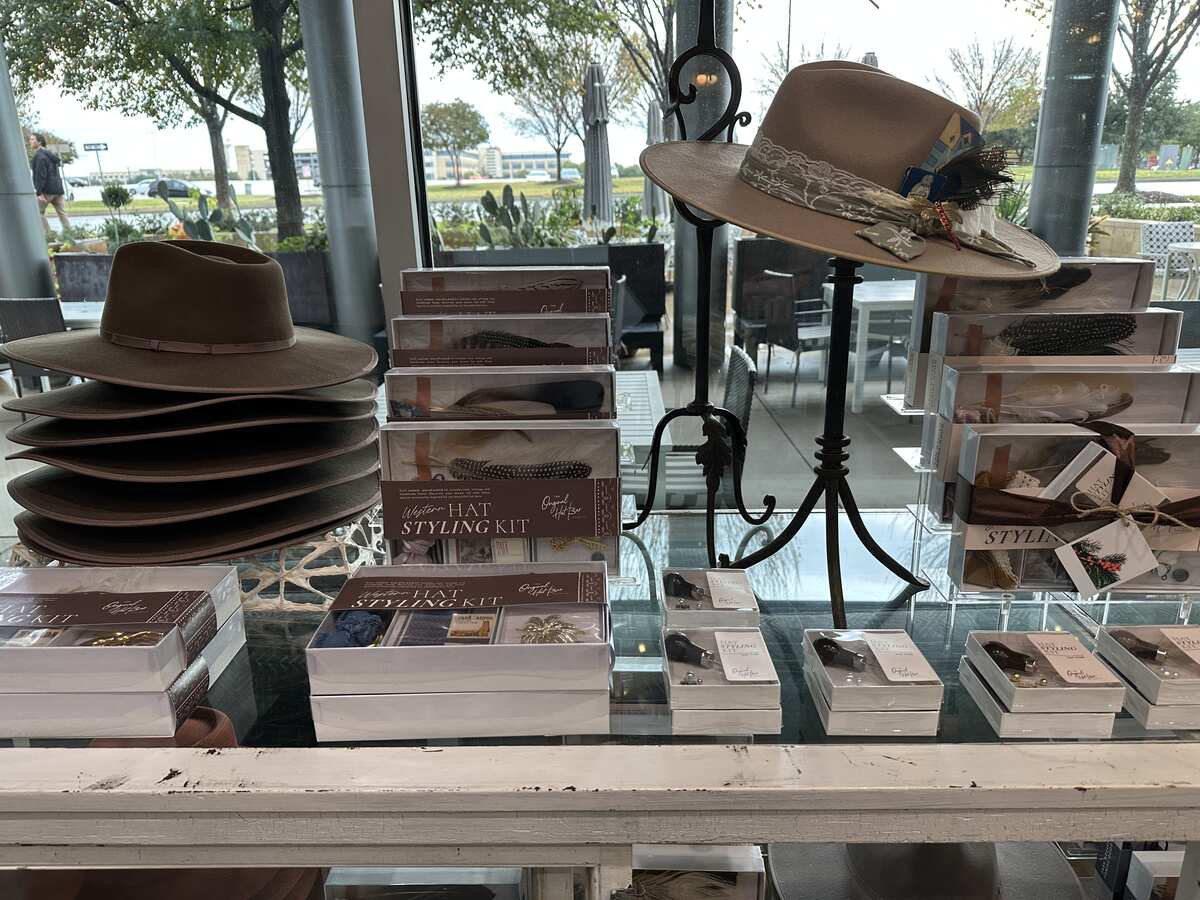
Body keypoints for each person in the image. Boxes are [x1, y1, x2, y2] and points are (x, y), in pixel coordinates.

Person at [28, 131, 70, 235]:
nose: (30, 141)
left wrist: (39, 192)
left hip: (47, 191)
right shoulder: (50, 155)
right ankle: (70, 234)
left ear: (40, 142)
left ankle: (49, 234)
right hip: (58, 190)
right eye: (30, 139)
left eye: (33, 139)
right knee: (62, 213)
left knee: (37, 212)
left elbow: (40, 175)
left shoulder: (39, 157)